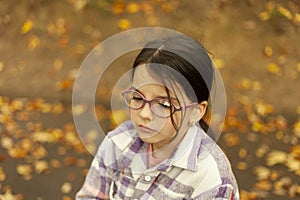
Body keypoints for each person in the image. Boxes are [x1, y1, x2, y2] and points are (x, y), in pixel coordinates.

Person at [76, 34, 239, 199]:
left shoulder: (211, 178)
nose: (144, 114)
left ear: (196, 111)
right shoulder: (118, 143)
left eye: (164, 105)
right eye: (138, 97)